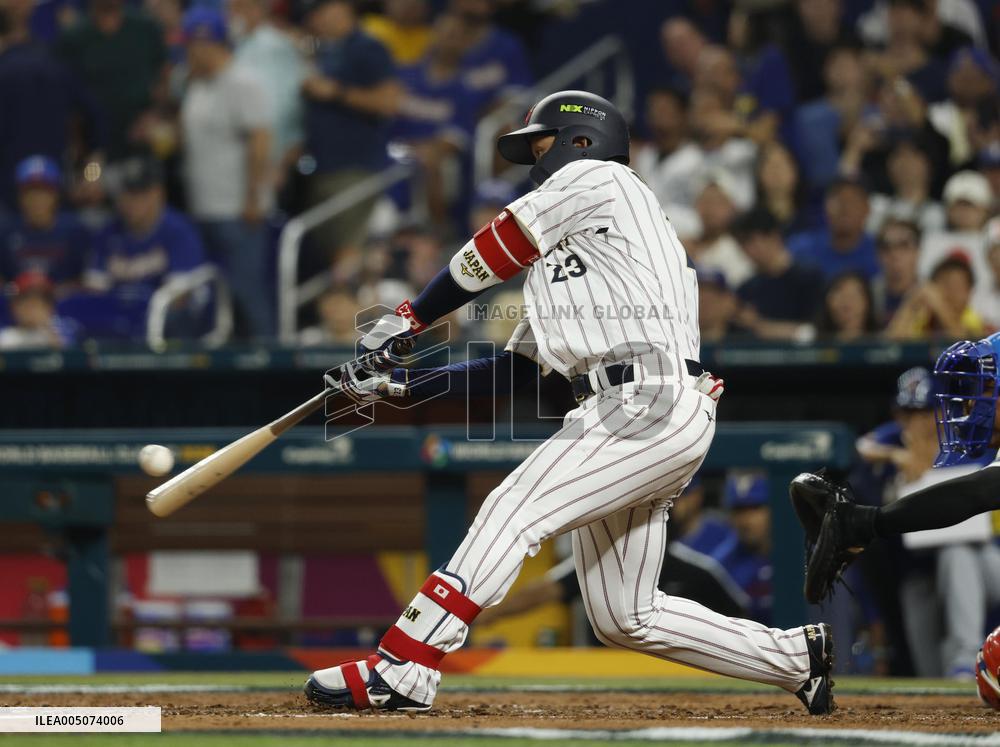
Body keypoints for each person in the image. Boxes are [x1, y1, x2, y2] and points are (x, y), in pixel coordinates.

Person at [304, 91, 834, 715]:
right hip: (629, 408)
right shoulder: (574, 261)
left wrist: (410, 316)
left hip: (646, 400)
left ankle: (407, 663)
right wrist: (398, 387)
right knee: (623, 616)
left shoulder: (602, 178)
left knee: (512, 508)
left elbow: (494, 246)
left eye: (541, 142)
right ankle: (793, 658)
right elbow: (513, 375)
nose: (534, 158)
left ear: (583, 140)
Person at [179, 6, 275, 340]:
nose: (188, 51)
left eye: (192, 43)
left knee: (249, 295)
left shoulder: (242, 80)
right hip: (204, 208)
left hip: (237, 210)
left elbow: (261, 141)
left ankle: (268, 369)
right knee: (216, 302)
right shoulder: (197, 84)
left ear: (209, 43)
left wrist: (253, 197)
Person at [300, 0, 401, 270]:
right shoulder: (325, 51)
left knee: (347, 253)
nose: (317, 19)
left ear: (343, 8)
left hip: (356, 166)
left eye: (322, 9)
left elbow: (389, 102)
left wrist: (336, 92)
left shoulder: (367, 47)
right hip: (324, 166)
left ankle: (353, 308)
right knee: (329, 252)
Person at [84, 154, 209, 336]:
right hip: (119, 324)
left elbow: (179, 298)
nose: (131, 202)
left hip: (168, 325)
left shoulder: (179, 231)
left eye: (139, 193)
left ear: (158, 193)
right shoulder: (108, 234)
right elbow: (94, 291)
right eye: (125, 194)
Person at [0, 3, 105, 210]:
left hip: (9, 200)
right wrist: (91, 176)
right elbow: (97, 122)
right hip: (58, 195)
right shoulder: (57, 65)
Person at [56, 0, 166, 158]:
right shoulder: (73, 38)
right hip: (93, 152)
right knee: (92, 178)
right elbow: (66, 98)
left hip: (142, 148)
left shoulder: (146, 28)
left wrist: (155, 114)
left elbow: (163, 76)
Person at [227, 0, 307, 192]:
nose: (233, 15)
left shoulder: (273, 45)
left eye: (240, 8)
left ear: (257, 10)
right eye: (231, 9)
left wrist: (277, 159)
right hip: (238, 159)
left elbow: (282, 104)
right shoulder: (236, 44)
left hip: (268, 158)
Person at [734, 209, 824, 343]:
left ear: (774, 236)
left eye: (751, 240)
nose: (748, 250)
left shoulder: (809, 279)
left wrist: (758, 325)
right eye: (744, 243)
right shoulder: (747, 289)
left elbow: (814, 332)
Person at [0, 156, 88, 292]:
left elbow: (86, 279)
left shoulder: (75, 231)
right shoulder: (6, 233)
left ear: (55, 195)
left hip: (64, 306)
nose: (37, 199)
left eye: (43, 192)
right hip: (17, 305)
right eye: (30, 192)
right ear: (20, 197)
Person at [630, 87, 704, 229]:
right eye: (653, 109)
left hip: (683, 233)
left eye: (664, 109)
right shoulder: (645, 155)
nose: (657, 115)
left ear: (683, 114)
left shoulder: (697, 158)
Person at [788, 177, 879, 280]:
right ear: (825, 207)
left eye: (853, 201)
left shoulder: (880, 253)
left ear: (867, 209)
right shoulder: (800, 248)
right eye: (838, 200)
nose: (845, 209)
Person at [887, 254, 985, 340]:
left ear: (969, 293)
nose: (950, 293)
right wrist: (911, 303)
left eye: (956, 286)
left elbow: (963, 342)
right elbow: (889, 345)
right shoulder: (924, 319)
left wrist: (938, 305)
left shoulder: (972, 319)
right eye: (945, 285)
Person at [718, 473, 773, 625]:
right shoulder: (720, 568)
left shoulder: (798, 555)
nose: (746, 520)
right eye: (739, 510)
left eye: (755, 508)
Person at [684, 172, 754, 289]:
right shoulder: (682, 245)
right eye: (705, 201)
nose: (710, 209)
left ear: (733, 207)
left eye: (718, 202)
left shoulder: (738, 252)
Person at [0, 271, 76, 349]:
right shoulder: (6, 337)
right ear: (14, 307)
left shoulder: (64, 330)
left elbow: (67, 356)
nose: (32, 311)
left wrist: (48, 329)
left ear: (51, 307)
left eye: (40, 304)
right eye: (27, 305)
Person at [871, 217, 921, 325]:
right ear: (878, 255)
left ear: (917, 252)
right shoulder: (868, 296)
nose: (894, 254)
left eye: (903, 246)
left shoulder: (931, 295)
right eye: (887, 247)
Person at [815, 271, 879, 342]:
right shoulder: (814, 341)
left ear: (867, 303)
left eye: (854, 297)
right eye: (841, 297)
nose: (848, 305)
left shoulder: (884, 341)